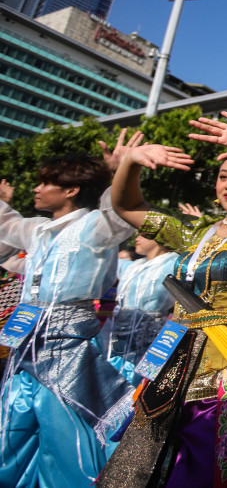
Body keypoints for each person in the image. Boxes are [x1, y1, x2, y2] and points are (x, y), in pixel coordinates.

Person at [97, 112, 227, 488]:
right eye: (224, 177)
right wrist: (129, 163)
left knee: (211, 472)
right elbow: (127, 205)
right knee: (147, 464)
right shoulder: (196, 232)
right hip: (175, 361)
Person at [0, 139, 138, 487]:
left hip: (69, 348)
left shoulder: (95, 227)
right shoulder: (38, 229)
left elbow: (119, 214)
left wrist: (119, 172)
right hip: (25, 347)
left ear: (71, 189)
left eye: (46, 182)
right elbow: (6, 226)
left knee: (66, 442)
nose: (37, 187)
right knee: (10, 431)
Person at [107, 233, 178, 384]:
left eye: (143, 235)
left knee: (146, 384)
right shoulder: (133, 267)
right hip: (120, 339)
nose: (136, 239)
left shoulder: (173, 263)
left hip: (155, 339)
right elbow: (103, 259)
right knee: (116, 384)